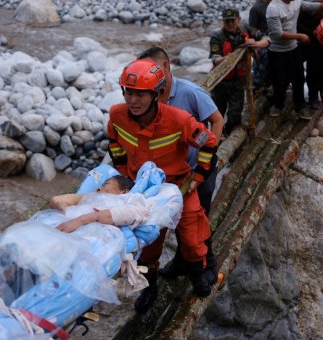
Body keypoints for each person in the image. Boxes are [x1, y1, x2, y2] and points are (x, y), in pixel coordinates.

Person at [108, 59, 219, 312]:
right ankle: (150, 287)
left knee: (192, 239)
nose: (133, 100)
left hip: (179, 187)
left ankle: (200, 270)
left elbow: (209, 142)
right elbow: (113, 142)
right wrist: (124, 173)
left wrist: (198, 179)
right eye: (129, 92)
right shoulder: (117, 115)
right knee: (147, 248)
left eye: (140, 94)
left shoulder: (179, 120)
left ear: (156, 94)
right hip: (144, 194)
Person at [137, 47, 223, 215]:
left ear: (166, 66)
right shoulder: (149, 96)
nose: (148, 73)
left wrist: (207, 157)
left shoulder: (191, 92)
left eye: (152, 68)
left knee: (198, 221)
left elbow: (217, 120)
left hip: (196, 169)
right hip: (167, 173)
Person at [265, 0, 323, 117]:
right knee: (279, 80)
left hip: (293, 48)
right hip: (277, 51)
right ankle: (278, 105)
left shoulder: (296, 1)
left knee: (299, 78)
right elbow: (277, 34)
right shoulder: (273, 8)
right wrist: (299, 36)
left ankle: (299, 107)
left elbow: (309, 5)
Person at [209, 8, 254, 134]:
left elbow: (264, 37)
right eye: (226, 21)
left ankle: (229, 134)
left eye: (232, 21)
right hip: (221, 82)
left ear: (239, 19)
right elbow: (215, 58)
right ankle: (215, 138)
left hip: (238, 81)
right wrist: (228, 59)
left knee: (235, 113)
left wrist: (255, 43)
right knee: (217, 113)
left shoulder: (246, 31)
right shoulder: (217, 37)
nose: (230, 24)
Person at [248, 0, 272, 92]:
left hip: (277, 40)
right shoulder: (256, 8)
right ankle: (257, 86)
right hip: (262, 41)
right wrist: (255, 47)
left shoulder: (277, 3)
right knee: (260, 65)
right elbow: (252, 30)